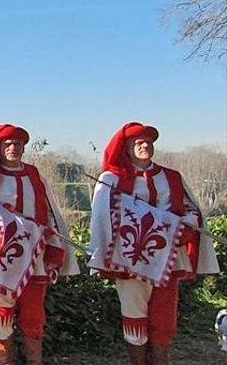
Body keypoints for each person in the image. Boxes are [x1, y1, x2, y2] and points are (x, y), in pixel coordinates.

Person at [87, 122, 219, 365]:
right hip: (128, 260)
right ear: (126, 147)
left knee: (164, 319)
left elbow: (192, 211)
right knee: (134, 315)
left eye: (148, 141)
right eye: (138, 142)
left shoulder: (172, 177)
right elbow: (102, 219)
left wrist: (185, 229)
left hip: (168, 259)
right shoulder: (110, 180)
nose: (145, 145)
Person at [0, 124, 78, 365]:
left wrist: (50, 241)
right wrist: (9, 227)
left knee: (34, 314)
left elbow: (48, 211)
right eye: (7, 144)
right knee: (1, 311)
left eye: (17, 144)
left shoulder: (34, 174)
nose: (13, 148)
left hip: (35, 256)